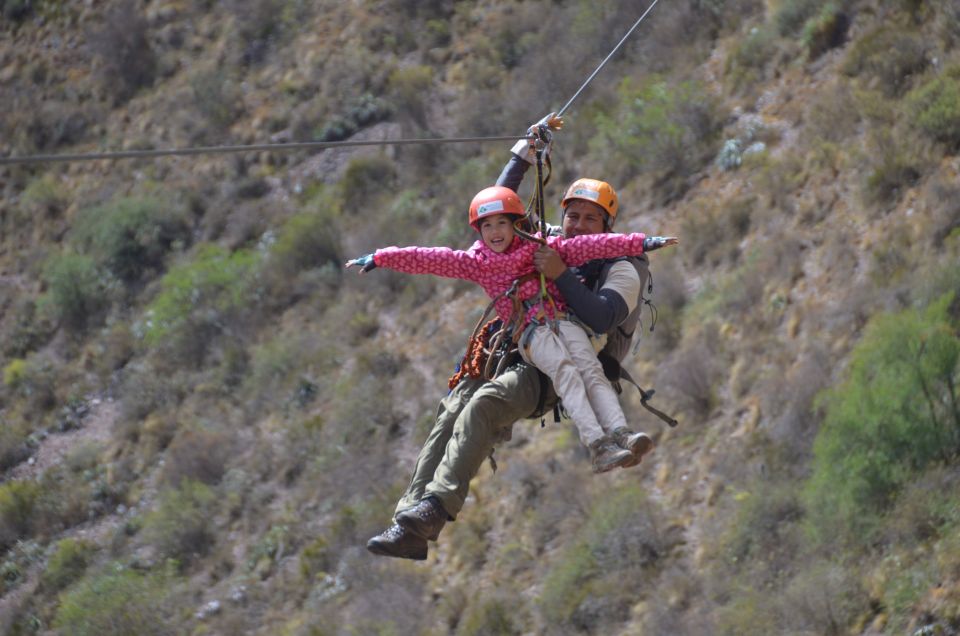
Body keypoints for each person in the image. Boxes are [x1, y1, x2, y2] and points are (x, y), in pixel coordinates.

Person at [362, 118, 671, 560]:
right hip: (519, 346)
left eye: (591, 219)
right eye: (573, 216)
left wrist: (560, 275)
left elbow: (602, 317)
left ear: (608, 224)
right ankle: (407, 523)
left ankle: (435, 507)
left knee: (485, 405)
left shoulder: (623, 263)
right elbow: (496, 213)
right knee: (451, 411)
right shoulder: (544, 240)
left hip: (562, 365)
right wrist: (524, 151)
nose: (579, 226)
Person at [347, 185, 676, 469]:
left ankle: (621, 432)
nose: (495, 232)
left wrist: (643, 243)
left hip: (563, 321)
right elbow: (429, 258)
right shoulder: (477, 264)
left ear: (517, 224)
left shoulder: (540, 247)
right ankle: (598, 445)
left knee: (591, 370)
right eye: (487, 226)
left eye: (502, 223)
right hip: (532, 331)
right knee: (567, 372)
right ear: (479, 231)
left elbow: (593, 246)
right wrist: (381, 257)